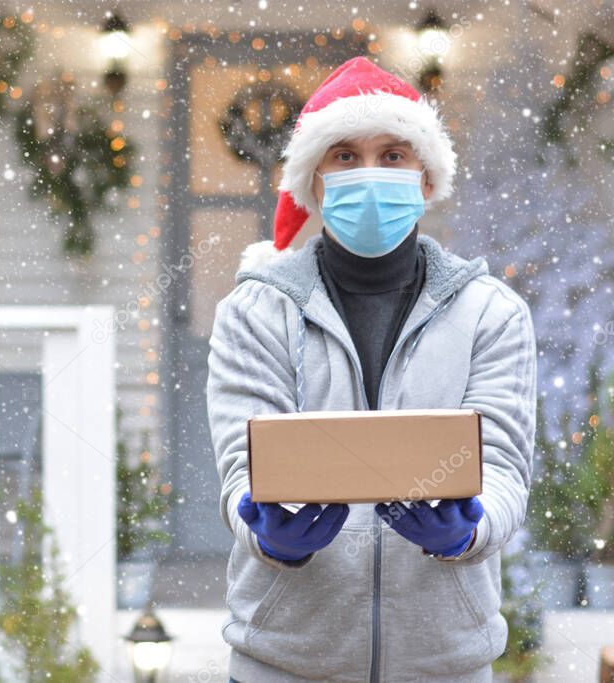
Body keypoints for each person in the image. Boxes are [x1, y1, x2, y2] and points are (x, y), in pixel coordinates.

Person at [207, 56, 537, 682]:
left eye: (392, 155)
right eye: (345, 155)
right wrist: (271, 533)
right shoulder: (255, 310)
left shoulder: (490, 313)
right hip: (284, 662)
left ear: (425, 178)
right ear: (315, 179)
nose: (369, 173)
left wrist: (467, 531)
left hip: (444, 664)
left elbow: (503, 468)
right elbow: (240, 465)